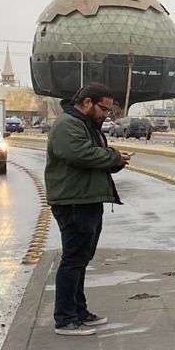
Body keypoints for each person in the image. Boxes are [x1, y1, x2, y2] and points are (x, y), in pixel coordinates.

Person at [45, 83, 129, 336]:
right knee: (73, 259)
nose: (106, 114)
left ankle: (79, 311)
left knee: (82, 258)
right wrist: (113, 157)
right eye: (104, 108)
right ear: (88, 102)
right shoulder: (68, 125)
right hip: (73, 201)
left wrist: (114, 160)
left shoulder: (85, 125)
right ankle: (65, 318)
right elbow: (80, 154)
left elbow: (95, 155)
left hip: (87, 199)